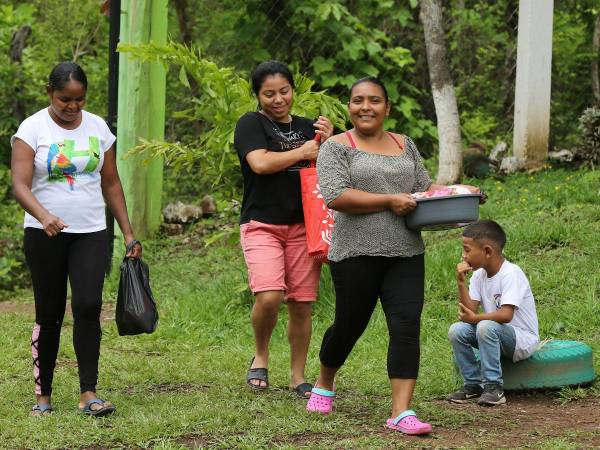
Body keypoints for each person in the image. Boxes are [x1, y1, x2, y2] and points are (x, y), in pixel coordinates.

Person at [307, 76, 481, 435]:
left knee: (405, 326)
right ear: (350, 107)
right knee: (349, 325)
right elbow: (336, 196)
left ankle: (402, 412)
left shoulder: (405, 145)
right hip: (355, 252)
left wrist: (461, 192)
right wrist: (389, 200)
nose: (365, 107)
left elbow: (423, 190)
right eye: (357, 100)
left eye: (374, 100)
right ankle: (325, 380)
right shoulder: (337, 147)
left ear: (387, 107)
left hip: (405, 252)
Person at [11, 61, 141, 417]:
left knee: (87, 306)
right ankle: (43, 396)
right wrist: (44, 216)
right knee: (49, 313)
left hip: (91, 232)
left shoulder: (98, 127)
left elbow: (111, 182)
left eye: (79, 100)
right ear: (50, 93)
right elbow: (19, 184)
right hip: (44, 234)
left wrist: (127, 232)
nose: (72, 107)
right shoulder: (32, 128)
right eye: (64, 99)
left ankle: (89, 392)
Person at [233, 60, 334, 398]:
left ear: (294, 90)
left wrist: (328, 142)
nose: (278, 99)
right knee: (270, 295)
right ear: (258, 95)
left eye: (284, 91)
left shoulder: (309, 128)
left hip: (304, 227)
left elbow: (330, 171)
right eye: (269, 94)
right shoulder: (251, 124)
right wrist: (302, 150)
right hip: (262, 224)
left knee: (302, 304)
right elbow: (260, 163)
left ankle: (297, 375)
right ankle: (260, 355)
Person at [447, 220, 539, 406]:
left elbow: (506, 315)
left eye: (467, 250)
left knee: (485, 326)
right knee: (457, 330)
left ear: (487, 251)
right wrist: (460, 283)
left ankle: (494, 388)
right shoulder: (479, 275)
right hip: (493, 334)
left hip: (521, 340)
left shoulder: (511, 274)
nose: (463, 256)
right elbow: (470, 310)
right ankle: (473, 385)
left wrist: (475, 318)